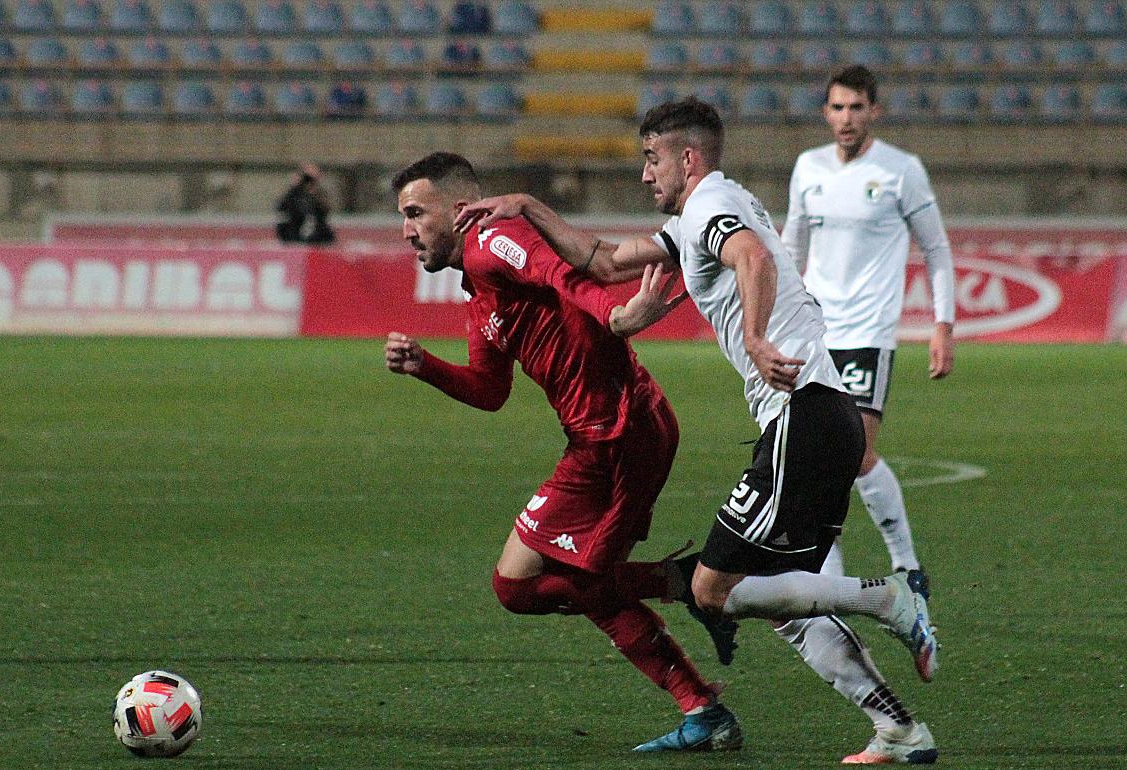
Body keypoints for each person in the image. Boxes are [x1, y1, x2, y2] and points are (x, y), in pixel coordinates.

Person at [455, 98, 939, 764]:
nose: (645, 174)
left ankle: (887, 601)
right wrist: (530, 208)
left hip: (801, 414)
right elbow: (600, 259)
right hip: (823, 418)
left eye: (652, 158)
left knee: (715, 590)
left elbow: (752, 260)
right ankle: (900, 729)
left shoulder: (712, 206)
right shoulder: (697, 217)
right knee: (785, 606)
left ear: (688, 157)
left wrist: (756, 335)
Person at [384, 151, 741, 753]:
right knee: (530, 586)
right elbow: (490, 390)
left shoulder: (493, 240)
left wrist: (619, 316)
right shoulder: (480, 285)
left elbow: (563, 274)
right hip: (597, 440)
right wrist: (426, 368)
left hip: (621, 434)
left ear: (457, 207)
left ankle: (704, 681)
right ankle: (683, 600)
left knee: (557, 583)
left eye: (416, 213)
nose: (406, 231)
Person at [781, 65, 956, 583]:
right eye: (837, 108)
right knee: (812, 456)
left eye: (856, 107)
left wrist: (942, 325)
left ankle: (906, 563)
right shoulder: (808, 167)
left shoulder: (900, 169)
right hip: (814, 332)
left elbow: (937, 248)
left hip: (866, 335)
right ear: (826, 112)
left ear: (873, 111)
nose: (846, 118)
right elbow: (792, 247)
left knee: (856, 452)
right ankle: (825, 569)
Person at [276, 164, 335, 244]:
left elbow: (324, 213)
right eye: (306, 178)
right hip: (294, 236)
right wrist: (294, 187)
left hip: (317, 238)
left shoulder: (319, 195)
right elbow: (282, 210)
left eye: (312, 179)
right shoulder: (292, 196)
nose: (309, 182)